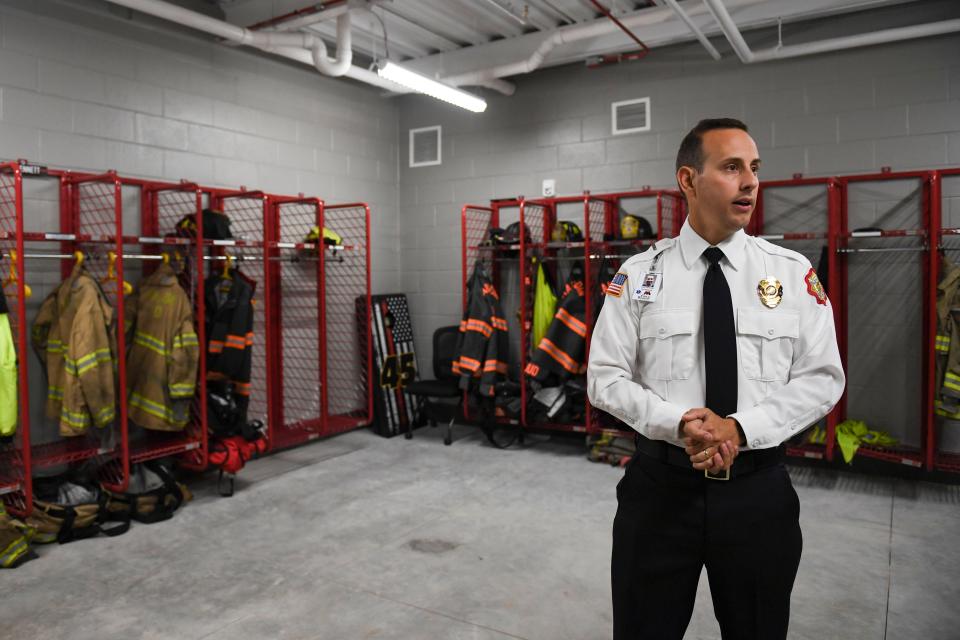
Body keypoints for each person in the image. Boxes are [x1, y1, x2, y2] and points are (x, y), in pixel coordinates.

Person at [587, 118, 845, 640]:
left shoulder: (791, 275)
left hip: (757, 497)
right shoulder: (639, 277)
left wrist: (740, 429)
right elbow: (605, 377)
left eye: (754, 168)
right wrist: (677, 422)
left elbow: (822, 378)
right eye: (731, 168)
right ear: (688, 180)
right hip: (659, 495)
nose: (750, 181)